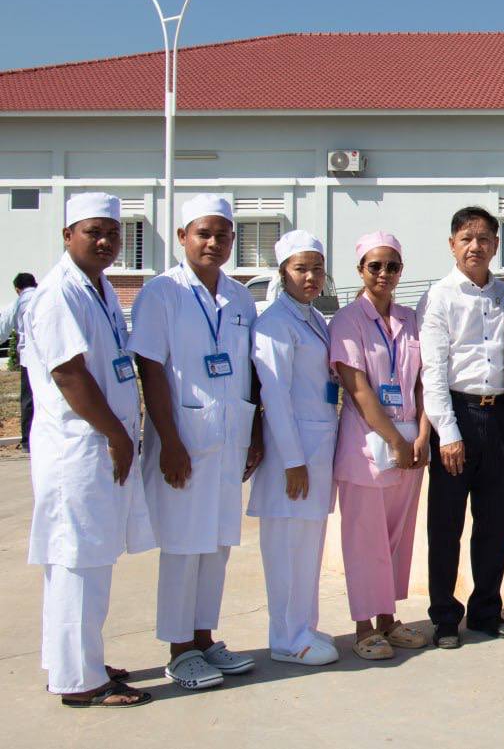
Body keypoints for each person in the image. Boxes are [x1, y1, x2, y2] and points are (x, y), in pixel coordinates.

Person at [24, 193, 154, 708]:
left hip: (97, 443)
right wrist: (118, 434)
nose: (105, 242)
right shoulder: (59, 293)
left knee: (82, 560)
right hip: (79, 447)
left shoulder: (97, 288)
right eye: (93, 232)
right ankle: (81, 681)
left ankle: (73, 660)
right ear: (67, 235)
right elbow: (69, 374)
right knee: (78, 560)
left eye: (113, 233)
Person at [128, 194, 262, 690]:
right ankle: (179, 650)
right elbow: (150, 368)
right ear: (183, 236)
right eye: (203, 233)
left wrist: (254, 433)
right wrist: (169, 441)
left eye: (223, 235)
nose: (213, 243)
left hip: (229, 439)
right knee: (184, 547)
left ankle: (204, 639)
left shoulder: (240, 297)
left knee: (218, 544)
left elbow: (249, 370)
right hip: (184, 440)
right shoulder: (161, 293)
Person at [417, 207, 504, 649]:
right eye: (466, 238)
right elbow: (433, 372)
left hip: (500, 417)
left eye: (483, 238)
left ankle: (486, 610)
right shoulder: (438, 297)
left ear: (495, 245)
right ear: (452, 245)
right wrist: (448, 432)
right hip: (457, 415)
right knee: (446, 525)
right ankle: (444, 616)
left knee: (495, 523)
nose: (475, 246)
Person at [329, 231, 430, 660]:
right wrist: (394, 440)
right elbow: (358, 389)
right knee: (364, 540)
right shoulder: (347, 321)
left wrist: (422, 434)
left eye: (392, 266)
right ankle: (363, 626)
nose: (384, 273)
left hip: (410, 443)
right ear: (361, 270)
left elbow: (425, 381)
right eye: (375, 266)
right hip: (367, 446)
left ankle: (388, 618)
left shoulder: (411, 320)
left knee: (396, 537)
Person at [247, 230, 340, 666]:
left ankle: (304, 625)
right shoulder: (274, 324)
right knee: (286, 550)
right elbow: (276, 396)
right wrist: (292, 461)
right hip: (295, 455)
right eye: (301, 269)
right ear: (283, 272)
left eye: (317, 269)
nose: (311, 277)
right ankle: (286, 638)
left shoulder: (313, 317)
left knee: (308, 548)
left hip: (317, 447)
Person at [0, 272, 38, 450]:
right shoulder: (45, 296)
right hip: (51, 356)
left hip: (29, 358)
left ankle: (27, 442)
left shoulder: (17, 303)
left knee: (28, 399)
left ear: (17, 289)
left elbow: (2, 331)